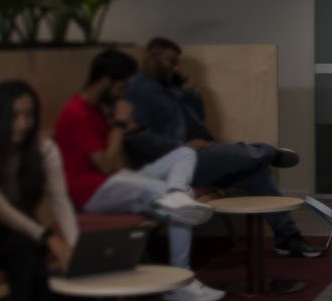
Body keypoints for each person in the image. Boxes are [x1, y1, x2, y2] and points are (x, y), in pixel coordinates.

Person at [122, 37, 322, 258]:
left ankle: (288, 238)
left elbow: (197, 118)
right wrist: (183, 146)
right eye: (170, 61)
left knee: (258, 171)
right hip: (176, 162)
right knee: (245, 155)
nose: (175, 67)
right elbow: (140, 139)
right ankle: (269, 152)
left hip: (202, 155)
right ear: (151, 57)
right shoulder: (138, 91)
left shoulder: (167, 88)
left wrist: (190, 92)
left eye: (176, 62)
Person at [53, 49, 225, 301]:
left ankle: (176, 196)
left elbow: (111, 156)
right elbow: (104, 164)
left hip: (117, 181)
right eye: (121, 86)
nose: (124, 93)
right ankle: (180, 280)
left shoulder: (96, 109)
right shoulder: (76, 112)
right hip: (92, 192)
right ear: (105, 81)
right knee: (180, 202)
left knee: (184, 154)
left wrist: (129, 129)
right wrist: (120, 124)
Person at [0, 80, 78, 301]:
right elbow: (0, 209)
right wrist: (47, 236)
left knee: (31, 254)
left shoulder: (45, 149)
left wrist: (75, 248)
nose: (22, 124)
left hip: (27, 233)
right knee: (26, 251)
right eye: (13, 116)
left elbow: (60, 200)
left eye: (29, 115)